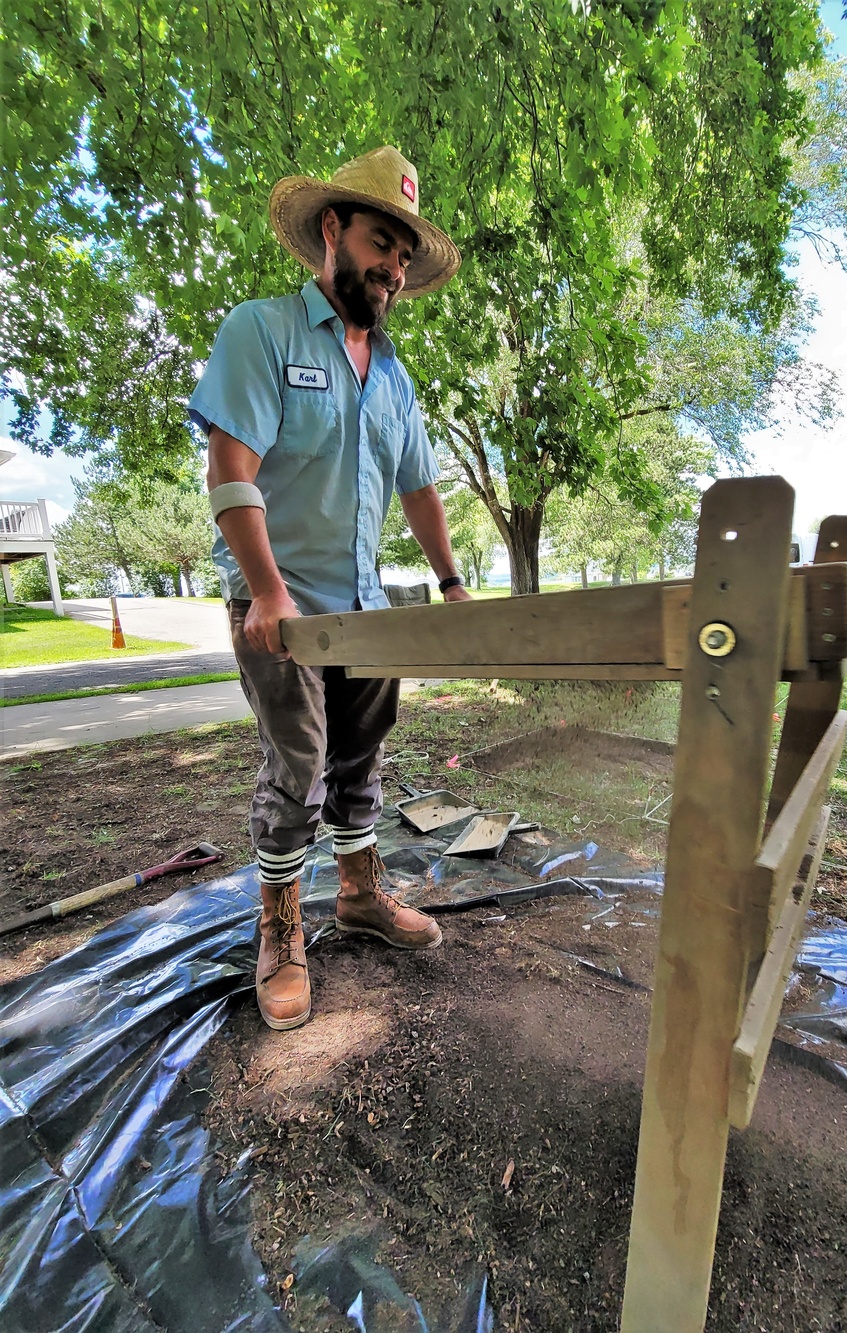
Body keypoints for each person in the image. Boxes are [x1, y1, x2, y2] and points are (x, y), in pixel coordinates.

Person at [189, 145, 472, 1032]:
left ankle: (358, 894)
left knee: (362, 761)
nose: (392, 265)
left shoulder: (395, 378)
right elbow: (231, 464)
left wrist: (454, 581)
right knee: (301, 762)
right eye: (380, 241)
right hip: (282, 608)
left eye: (404, 255)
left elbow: (419, 488)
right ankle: (279, 924)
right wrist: (266, 590)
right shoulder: (262, 331)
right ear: (330, 231)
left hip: (364, 612)